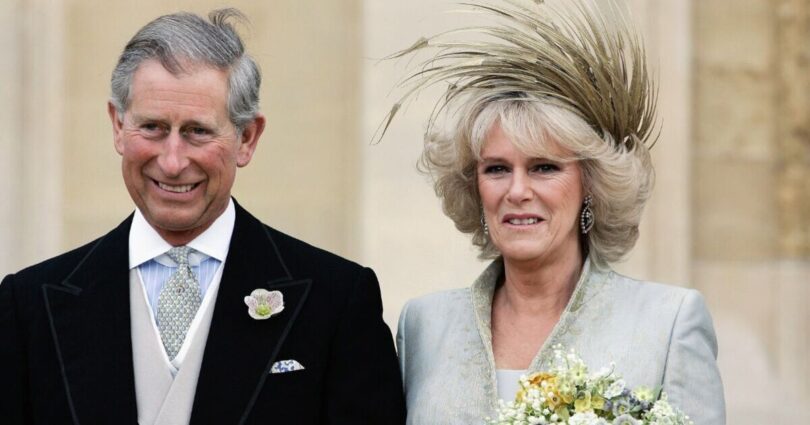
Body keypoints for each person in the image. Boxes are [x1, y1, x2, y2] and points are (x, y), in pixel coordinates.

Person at [0, 9, 405, 425]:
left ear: (247, 138)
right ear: (118, 126)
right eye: (152, 127)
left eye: (198, 131)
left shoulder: (336, 301)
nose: (172, 162)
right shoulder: (29, 306)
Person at [383, 1, 725, 424]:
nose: (517, 191)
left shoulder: (667, 321)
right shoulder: (424, 325)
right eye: (497, 169)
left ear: (591, 184)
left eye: (544, 167)